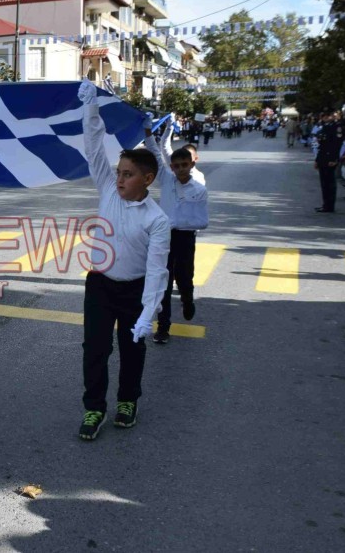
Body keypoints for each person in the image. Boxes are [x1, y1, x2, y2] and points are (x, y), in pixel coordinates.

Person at [77, 79, 170, 440]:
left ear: (147, 179)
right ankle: (94, 408)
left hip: (134, 289)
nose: (118, 179)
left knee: (133, 347)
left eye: (127, 175)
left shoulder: (157, 220)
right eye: (118, 173)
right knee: (95, 349)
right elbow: (93, 149)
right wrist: (90, 108)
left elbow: (157, 269)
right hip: (100, 283)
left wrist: (149, 312)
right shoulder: (108, 190)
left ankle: (128, 400)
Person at [144, 115, 209, 345]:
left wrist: (177, 223)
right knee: (163, 281)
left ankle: (188, 298)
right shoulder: (168, 179)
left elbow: (202, 222)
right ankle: (163, 327)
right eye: (176, 166)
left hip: (184, 239)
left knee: (184, 279)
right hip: (163, 238)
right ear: (172, 167)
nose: (180, 169)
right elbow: (155, 152)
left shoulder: (199, 188)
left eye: (185, 165)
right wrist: (147, 131)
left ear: (192, 164)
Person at [314, 110, 344, 214]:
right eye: (324, 116)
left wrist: (334, 159)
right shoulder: (325, 126)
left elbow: (336, 145)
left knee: (330, 183)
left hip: (330, 158)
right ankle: (325, 204)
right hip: (323, 157)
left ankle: (330, 206)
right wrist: (317, 160)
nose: (325, 118)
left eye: (328, 116)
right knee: (324, 183)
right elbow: (321, 145)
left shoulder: (337, 127)